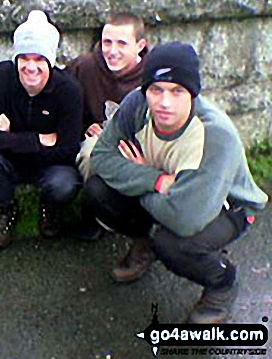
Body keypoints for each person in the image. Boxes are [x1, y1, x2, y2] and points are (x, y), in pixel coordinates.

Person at [85, 42, 268, 323]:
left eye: (177, 91)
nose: (164, 102)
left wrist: (142, 183)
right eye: (156, 90)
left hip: (227, 206)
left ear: (193, 93)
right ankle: (145, 242)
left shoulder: (214, 134)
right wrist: (155, 179)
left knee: (172, 242)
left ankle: (223, 281)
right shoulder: (136, 104)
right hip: (167, 189)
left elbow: (186, 218)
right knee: (99, 191)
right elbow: (102, 157)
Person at [0, 10, 83, 250]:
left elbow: (69, 149)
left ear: (50, 61)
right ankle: (8, 209)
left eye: (39, 59)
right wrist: (36, 141)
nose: (31, 67)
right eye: (24, 58)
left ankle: (49, 208)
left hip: (51, 166)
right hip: (11, 161)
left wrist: (6, 137)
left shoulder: (68, 90)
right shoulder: (2, 76)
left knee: (65, 183)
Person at [67, 12, 148, 240]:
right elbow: (65, 103)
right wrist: (85, 126)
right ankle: (93, 212)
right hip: (99, 139)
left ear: (140, 45)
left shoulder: (152, 75)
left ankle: (137, 221)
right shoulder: (85, 67)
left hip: (137, 143)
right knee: (90, 152)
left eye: (122, 43)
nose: (112, 51)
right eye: (107, 42)